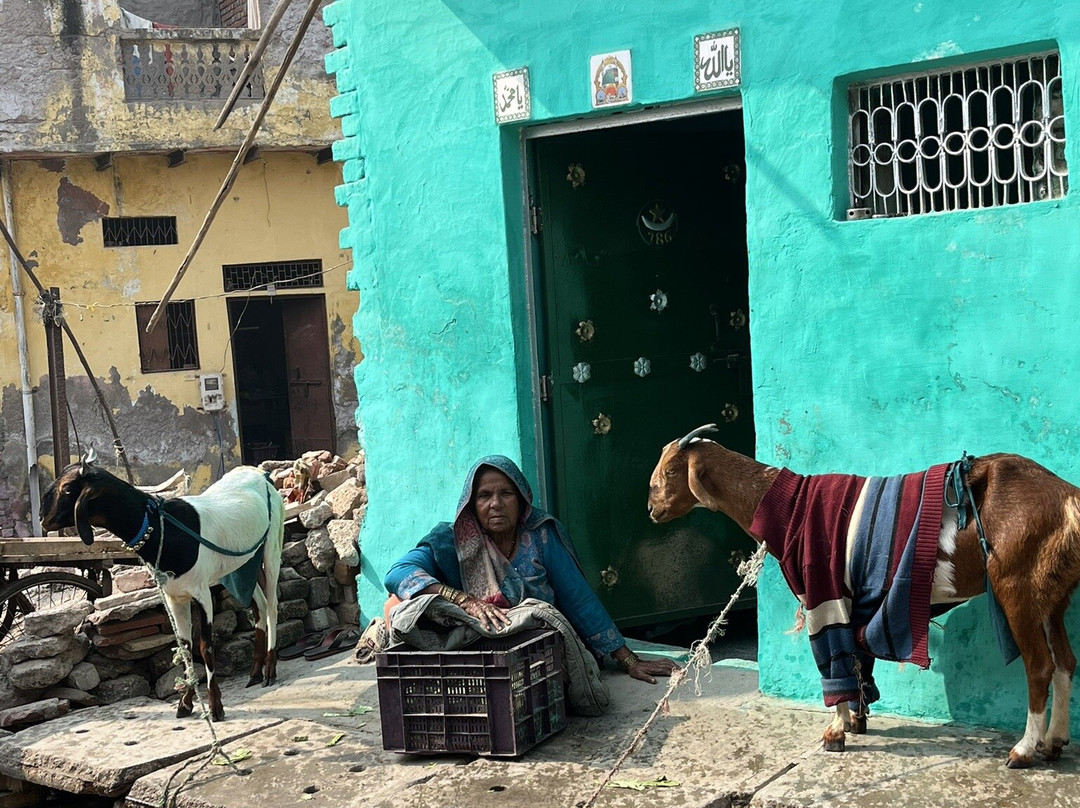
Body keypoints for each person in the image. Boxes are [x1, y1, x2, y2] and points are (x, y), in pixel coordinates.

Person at [383, 455, 678, 684]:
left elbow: (578, 599)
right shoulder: (451, 541)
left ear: (521, 499)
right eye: (484, 495)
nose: (495, 504)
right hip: (474, 654)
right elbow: (398, 573)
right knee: (399, 606)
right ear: (471, 505)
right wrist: (464, 600)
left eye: (506, 494)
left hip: (534, 649)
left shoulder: (540, 536)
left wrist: (628, 661)